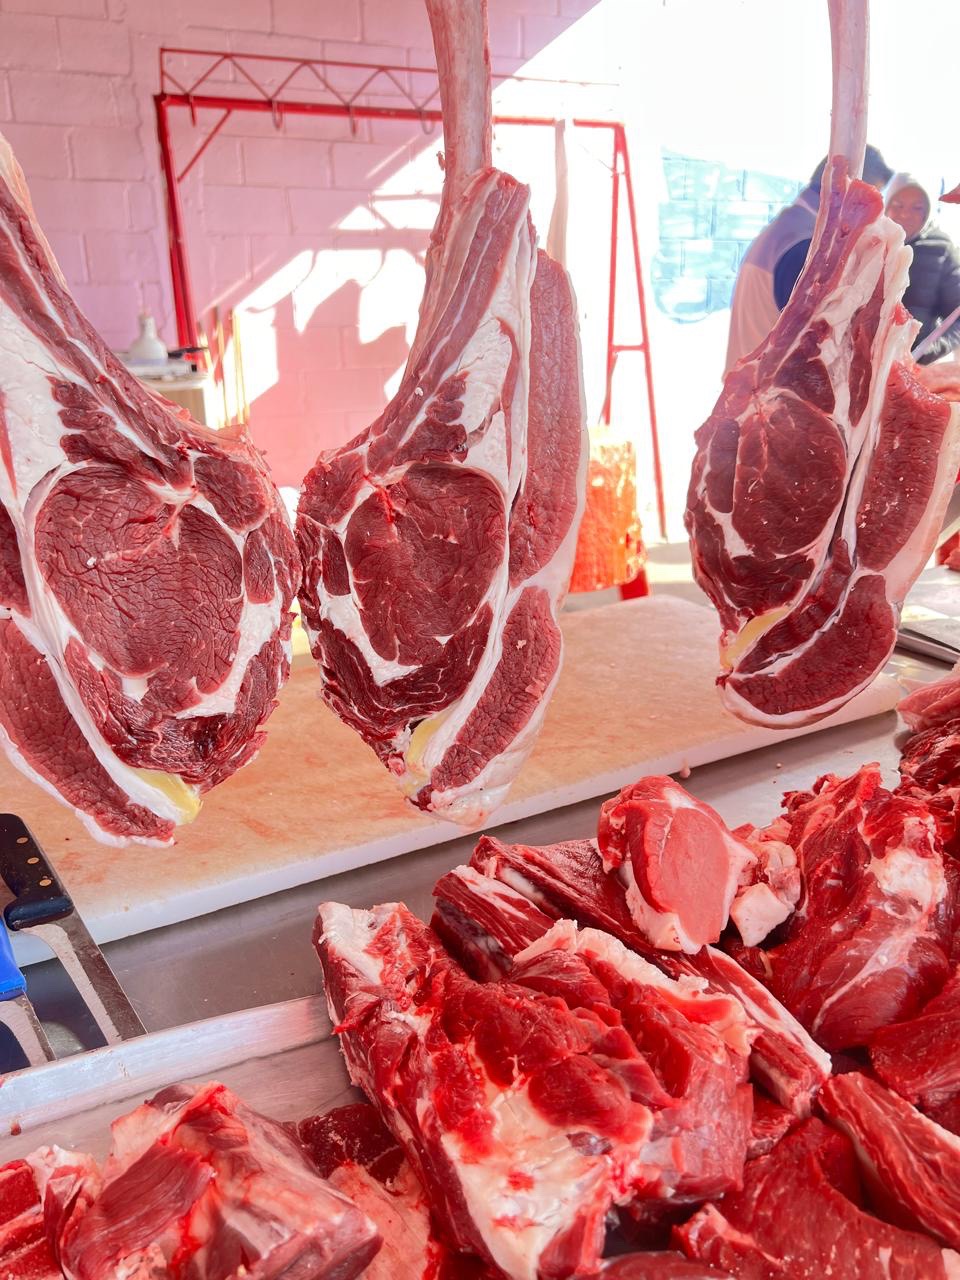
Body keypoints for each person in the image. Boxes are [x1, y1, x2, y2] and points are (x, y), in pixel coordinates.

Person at [724, 145, 894, 373]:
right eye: (875, 202)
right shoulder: (808, 244)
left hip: (753, 387)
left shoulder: (790, 227)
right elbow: (815, 345)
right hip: (768, 397)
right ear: (857, 195)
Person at [884, 173, 960, 365]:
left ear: (928, 211)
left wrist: (929, 350)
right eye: (898, 205)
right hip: (865, 363)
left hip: (913, 366)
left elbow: (956, 316)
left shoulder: (941, 248)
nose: (905, 214)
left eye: (917, 208)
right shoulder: (871, 242)